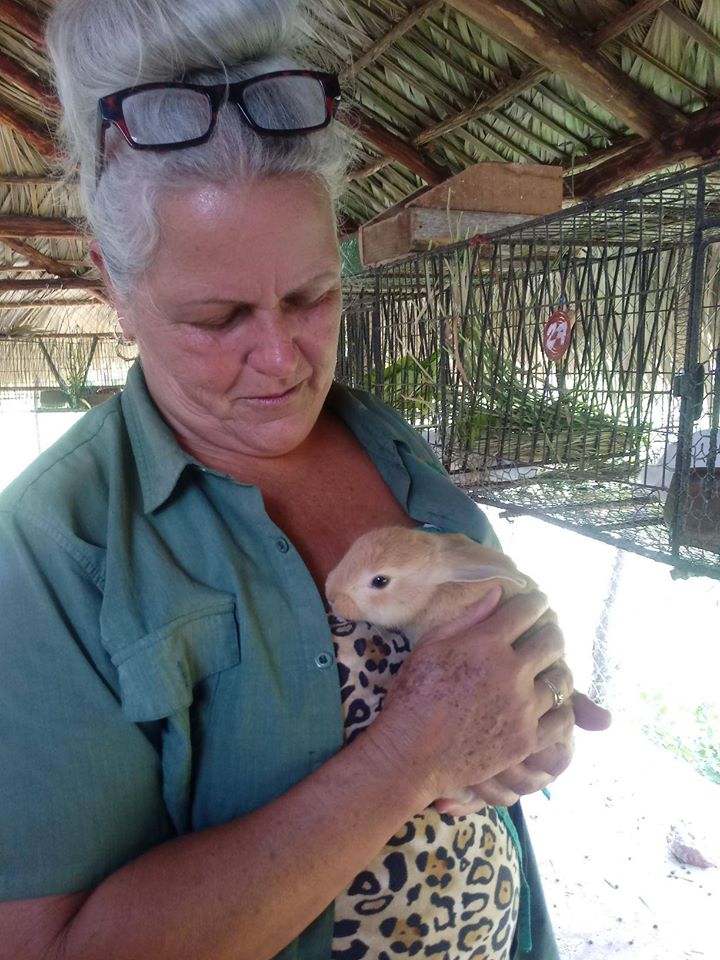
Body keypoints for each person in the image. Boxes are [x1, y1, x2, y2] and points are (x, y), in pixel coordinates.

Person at [0, 1, 611, 958]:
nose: (281, 356)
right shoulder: (49, 552)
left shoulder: (390, 443)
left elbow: (497, 682)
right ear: (114, 287)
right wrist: (410, 755)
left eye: (311, 296)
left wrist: (537, 714)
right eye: (218, 317)